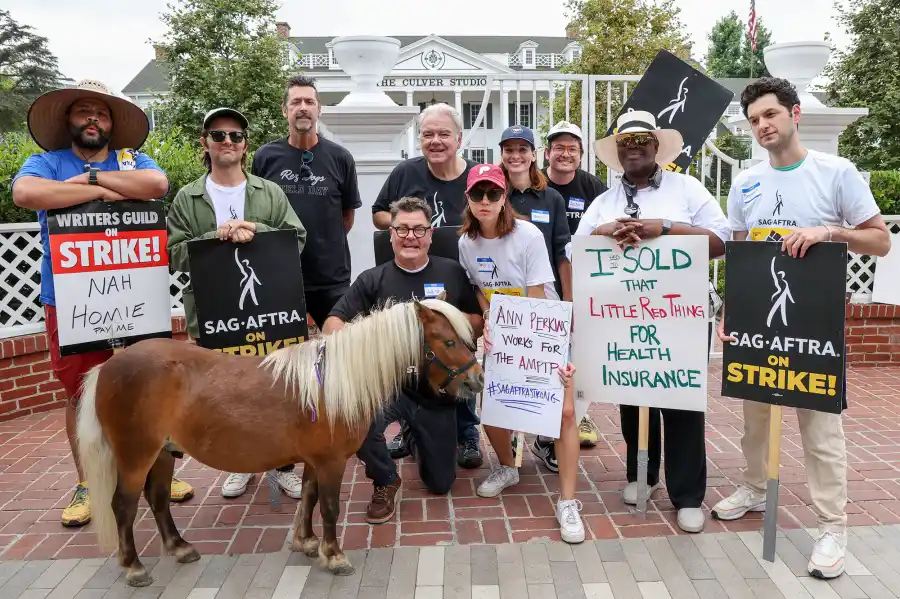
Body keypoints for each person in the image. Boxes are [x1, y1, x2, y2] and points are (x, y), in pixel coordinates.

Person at [713, 77, 891, 578]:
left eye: (770, 115)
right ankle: (752, 485)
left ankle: (832, 525)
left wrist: (829, 232)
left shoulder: (836, 172)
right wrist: (731, 309)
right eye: (753, 120)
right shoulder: (746, 182)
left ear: (795, 114)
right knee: (755, 416)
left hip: (813, 324)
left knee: (820, 428)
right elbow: (741, 254)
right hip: (760, 320)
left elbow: (880, 242)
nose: (762, 126)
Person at [11, 79, 194, 527]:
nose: (94, 118)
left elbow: (154, 184)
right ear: (69, 120)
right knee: (79, 395)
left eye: (102, 113)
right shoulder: (46, 162)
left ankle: (157, 469)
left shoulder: (134, 160)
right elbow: (27, 194)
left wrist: (89, 180)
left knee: (148, 385)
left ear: (112, 123)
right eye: (85, 111)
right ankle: (86, 482)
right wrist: (111, 190)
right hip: (73, 300)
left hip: (134, 295)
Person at [576, 110, 730, 534]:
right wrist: (608, 231)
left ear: (657, 147)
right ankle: (641, 475)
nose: (634, 148)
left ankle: (687, 495)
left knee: (680, 400)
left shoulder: (688, 189)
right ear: (618, 152)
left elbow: (720, 241)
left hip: (679, 314)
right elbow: (578, 253)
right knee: (633, 396)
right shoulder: (604, 202)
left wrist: (662, 228)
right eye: (626, 142)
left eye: (643, 140)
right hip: (626, 315)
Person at [166, 107, 308, 500]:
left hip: (270, 310)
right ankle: (240, 465)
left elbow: (296, 240)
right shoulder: (187, 197)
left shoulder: (269, 191)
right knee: (227, 396)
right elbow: (173, 254)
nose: (227, 142)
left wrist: (257, 230)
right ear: (205, 143)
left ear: (246, 145)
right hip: (216, 315)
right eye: (218, 135)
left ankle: (283, 466)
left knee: (277, 393)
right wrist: (215, 237)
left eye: (235, 136)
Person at [322, 197, 484, 523]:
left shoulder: (451, 272)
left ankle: (413, 434)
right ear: (391, 234)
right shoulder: (373, 279)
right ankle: (385, 479)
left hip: (435, 394)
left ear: (430, 234)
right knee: (357, 419)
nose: (410, 236)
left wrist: (444, 318)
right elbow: (332, 324)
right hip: (389, 387)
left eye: (418, 229)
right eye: (402, 229)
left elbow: (478, 321)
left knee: (441, 483)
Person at [457, 163, 585, 544]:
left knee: (562, 412)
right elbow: (479, 287)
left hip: (541, 329)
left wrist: (531, 346)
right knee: (493, 407)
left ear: (504, 198)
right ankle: (508, 467)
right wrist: (488, 319)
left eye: (492, 193)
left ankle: (567, 501)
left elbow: (536, 295)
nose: (485, 201)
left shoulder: (527, 234)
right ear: (467, 198)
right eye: (477, 194)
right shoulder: (466, 242)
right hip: (503, 331)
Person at [250, 75, 360, 494]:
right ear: (285, 110)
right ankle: (277, 462)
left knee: (337, 367)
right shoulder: (266, 157)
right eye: (295, 101)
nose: (303, 108)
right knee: (281, 372)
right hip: (280, 282)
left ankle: (333, 445)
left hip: (332, 279)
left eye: (310, 102)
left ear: (319, 110)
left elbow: (347, 217)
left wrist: (324, 244)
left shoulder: (340, 158)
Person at [371, 102, 483, 468]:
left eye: (443, 134)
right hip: (417, 269)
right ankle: (409, 426)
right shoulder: (406, 172)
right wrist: (413, 225)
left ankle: (467, 432)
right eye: (427, 134)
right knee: (414, 357)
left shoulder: (475, 179)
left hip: (463, 274)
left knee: (460, 348)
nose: (435, 141)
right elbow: (378, 213)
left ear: (459, 139)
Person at [496, 125, 572, 472]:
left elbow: (562, 253)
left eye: (521, 149)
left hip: (545, 296)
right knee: (510, 371)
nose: (515, 156)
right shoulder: (493, 193)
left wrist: (568, 303)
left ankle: (544, 440)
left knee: (546, 373)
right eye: (509, 149)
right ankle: (510, 445)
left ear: (533, 153)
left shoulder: (551, 198)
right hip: (504, 297)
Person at [542, 120, 608, 450]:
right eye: (559, 148)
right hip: (541, 277)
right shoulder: (536, 185)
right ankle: (540, 412)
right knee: (543, 347)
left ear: (580, 156)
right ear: (547, 153)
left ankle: (580, 412)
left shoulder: (592, 187)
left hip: (583, 279)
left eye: (572, 149)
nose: (565, 154)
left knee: (579, 348)